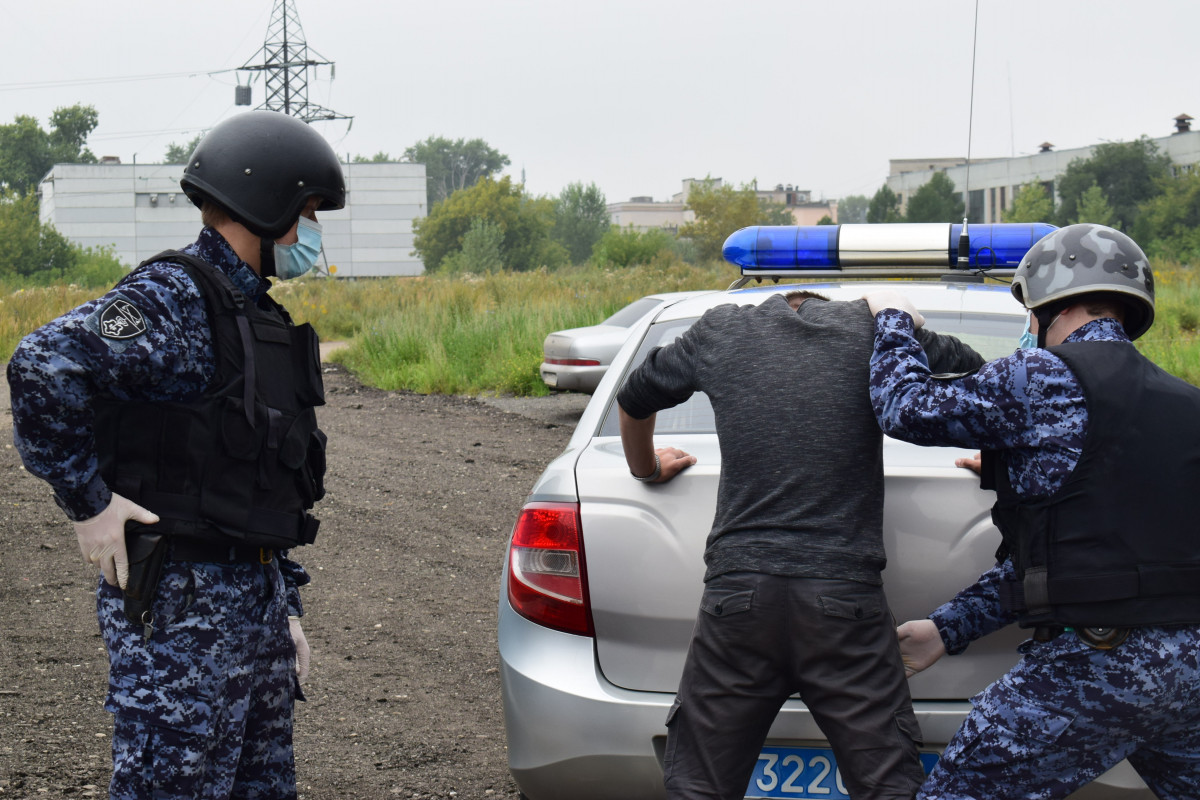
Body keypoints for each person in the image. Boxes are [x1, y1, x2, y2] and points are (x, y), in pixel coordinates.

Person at [6, 109, 345, 799]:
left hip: (250, 604)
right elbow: (42, 364)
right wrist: (87, 504)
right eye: (307, 212)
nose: (312, 232)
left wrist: (282, 605)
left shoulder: (258, 317)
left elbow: (259, 478)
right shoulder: (174, 299)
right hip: (181, 608)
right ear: (267, 205)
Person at [866, 223, 1200, 799]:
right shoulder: (1185, 404)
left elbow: (904, 407)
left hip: (1097, 668)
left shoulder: (1043, 376)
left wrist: (892, 318)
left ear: (1049, 306)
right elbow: (1081, 560)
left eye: (1029, 317)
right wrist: (947, 629)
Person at [616, 289, 985, 800]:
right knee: (888, 788)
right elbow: (980, 378)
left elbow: (634, 397)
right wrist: (1000, 455)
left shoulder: (721, 328)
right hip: (843, 605)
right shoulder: (874, 331)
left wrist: (647, 468)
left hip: (738, 599)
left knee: (698, 787)